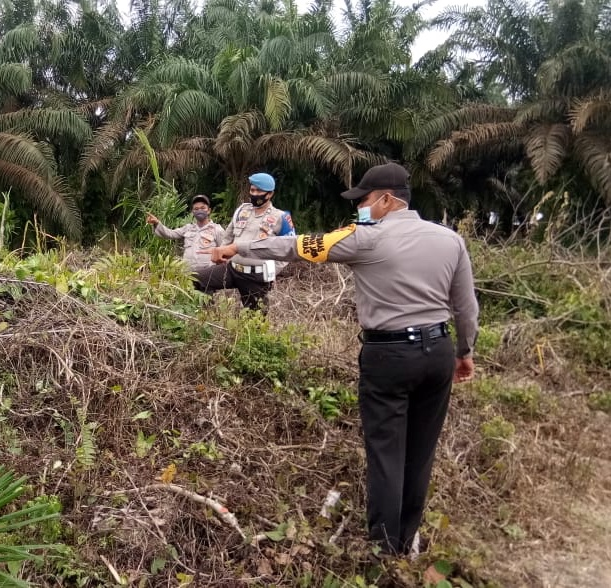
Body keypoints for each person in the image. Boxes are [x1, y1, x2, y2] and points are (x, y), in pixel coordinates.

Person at [207, 162, 479, 556]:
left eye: (365, 201)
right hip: (437, 351)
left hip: (388, 355)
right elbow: (466, 307)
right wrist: (465, 352)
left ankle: (385, 550)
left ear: (386, 200)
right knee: (421, 452)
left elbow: (295, 246)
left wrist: (238, 247)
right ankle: (408, 539)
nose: (361, 209)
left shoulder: (364, 238)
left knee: (387, 451)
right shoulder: (449, 240)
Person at [193, 173, 296, 311]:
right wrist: (222, 253)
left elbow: (290, 248)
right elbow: (228, 236)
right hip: (232, 268)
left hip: (256, 276)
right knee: (196, 279)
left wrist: (272, 271)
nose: (254, 194)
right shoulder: (242, 210)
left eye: (259, 191)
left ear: (270, 194)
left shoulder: (281, 217)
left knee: (256, 318)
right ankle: (207, 316)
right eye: (252, 190)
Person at [146, 195, 226, 271]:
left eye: (202, 208)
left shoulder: (217, 229)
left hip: (208, 275)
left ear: (208, 211)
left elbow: (226, 251)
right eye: (196, 209)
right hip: (187, 274)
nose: (199, 211)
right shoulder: (188, 228)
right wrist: (156, 223)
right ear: (193, 212)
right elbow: (170, 233)